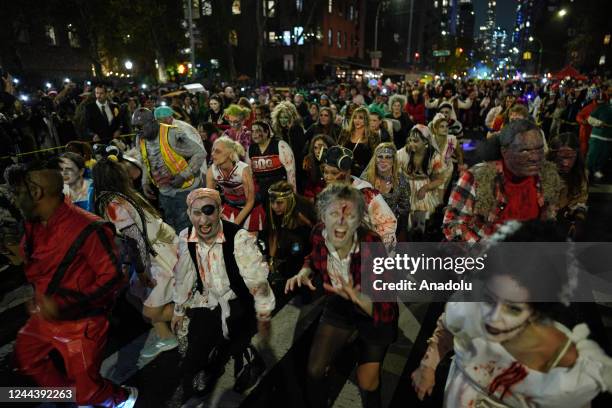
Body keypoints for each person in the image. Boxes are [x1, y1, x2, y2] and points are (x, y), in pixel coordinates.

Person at [411, 220, 612, 407]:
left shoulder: (563, 362)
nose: (492, 318)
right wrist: (428, 366)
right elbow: (448, 326)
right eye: (490, 299)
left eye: (513, 308)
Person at [5, 160, 137, 407]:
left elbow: (111, 279)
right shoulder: (33, 224)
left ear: (36, 192)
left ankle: (121, 398)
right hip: (46, 317)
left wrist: (62, 303)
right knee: (26, 359)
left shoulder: (87, 227)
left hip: (82, 323)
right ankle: (72, 395)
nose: (15, 199)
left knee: (87, 392)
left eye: (19, 192)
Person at [285, 184, 398, 408]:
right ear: (323, 215)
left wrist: (358, 297)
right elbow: (313, 255)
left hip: (373, 311)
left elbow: (386, 312)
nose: (341, 222)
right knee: (314, 370)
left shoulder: (371, 244)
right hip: (340, 304)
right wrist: (305, 270)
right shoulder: (318, 233)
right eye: (334, 214)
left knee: (367, 382)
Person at [172, 188, 274, 402]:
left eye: (209, 211)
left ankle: (251, 361)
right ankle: (205, 369)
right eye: (196, 213)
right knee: (197, 347)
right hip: (207, 300)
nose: (203, 220)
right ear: (189, 214)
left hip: (237, 300)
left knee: (237, 341)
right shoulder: (185, 237)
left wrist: (263, 312)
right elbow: (184, 275)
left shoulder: (238, 238)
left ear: (219, 211)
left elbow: (257, 280)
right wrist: (179, 309)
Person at [92, 157, 179, 359]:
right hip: (157, 247)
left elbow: (135, 239)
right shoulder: (123, 195)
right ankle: (167, 336)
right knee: (134, 295)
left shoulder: (112, 203)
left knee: (150, 311)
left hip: (155, 254)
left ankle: (196, 314)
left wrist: (140, 270)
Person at [443, 119, 562, 242]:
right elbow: (453, 224)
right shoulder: (477, 177)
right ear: (505, 152)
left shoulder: (547, 177)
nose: (535, 157)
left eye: (539, 149)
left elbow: (548, 221)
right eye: (525, 150)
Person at [133, 107, 206, 232]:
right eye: (134, 127)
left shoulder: (172, 134)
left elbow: (200, 153)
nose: (137, 131)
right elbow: (146, 161)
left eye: (140, 127)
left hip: (185, 190)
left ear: (152, 123)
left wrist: (183, 175)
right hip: (164, 192)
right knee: (171, 228)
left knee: (187, 230)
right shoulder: (140, 139)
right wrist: (144, 182)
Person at [320, 146, 397, 252]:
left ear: (347, 172)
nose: (327, 177)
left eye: (334, 173)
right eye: (325, 172)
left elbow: (388, 224)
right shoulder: (329, 194)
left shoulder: (366, 194)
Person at [206, 136, 265, 233]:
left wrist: (234, 225)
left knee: (248, 244)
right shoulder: (211, 171)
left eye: (218, 151)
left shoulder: (243, 170)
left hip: (251, 208)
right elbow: (211, 199)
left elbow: (250, 202)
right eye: (212, 150)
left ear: (229, 154)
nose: (212, 154)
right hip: (230, 206)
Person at [263, 181, 316, 284]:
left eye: (279, 203)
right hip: (287, 254)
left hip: (306, 252)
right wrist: (272, 260)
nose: (274, 206)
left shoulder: (303, 210)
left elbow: (317, 235)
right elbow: (273, 234)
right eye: (272, 202)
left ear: (289, 200)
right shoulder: (272, 212)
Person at [397, 125, 445, 235]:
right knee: (405, 223)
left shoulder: (434, 157)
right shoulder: (402, 153)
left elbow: (440, 179)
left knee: (419, 222)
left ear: (426, 142)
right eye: (410, 140)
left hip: (424, 190)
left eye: (416, 141)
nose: (411, 144)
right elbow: (393, 171)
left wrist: (425, 188)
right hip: (405, 188)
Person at [360, 142, 410, 241]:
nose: (383, 161)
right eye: (380, 157)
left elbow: (404, 209)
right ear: (375, 159)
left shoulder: (401, 180)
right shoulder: (366, 179)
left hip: (390, 230)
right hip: (368, 228)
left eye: (388, 157)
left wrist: (400, 232)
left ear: (393, 160)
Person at [548, 132, 588, 239]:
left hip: (560, 221)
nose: (566, 163)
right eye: (561, 157)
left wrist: (578, 221)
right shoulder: (541, 171)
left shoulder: (580, 173)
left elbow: (580, 199)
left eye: (571, 157)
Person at [246, 120, 296, 203]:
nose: (254, 134)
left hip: (279, 190)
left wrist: (292, 196)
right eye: (252, 131)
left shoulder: (281, 145)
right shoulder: (250, 149)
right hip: (260, 192)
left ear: (266, 132)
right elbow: (249, 175)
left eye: (258, 131)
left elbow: (291, 173)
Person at [154, 105, 208, 178]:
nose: (158, 123)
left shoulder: (182, 128)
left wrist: (186, 173)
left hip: (197, 168)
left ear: (169, 118)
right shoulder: (167, 129)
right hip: (185, 169)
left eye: (159, 120)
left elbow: (199, 151)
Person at [271, 101, 307, 189]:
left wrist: (290, 131)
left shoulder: (297, 129)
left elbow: (298, 150)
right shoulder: (276, 130)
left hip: (296, 166)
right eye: (281, 117)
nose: (283, 120)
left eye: (286, 117)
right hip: (280, 167)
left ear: (291, 118)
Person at [338, 107, 380, 176]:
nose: (357, 120)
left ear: (366, 120)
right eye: (355, 117)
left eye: (360, 118)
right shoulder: (345, 133)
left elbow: (376, 157)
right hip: (345, 172)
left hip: (364, 174)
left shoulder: (373, 136)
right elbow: (338, 151)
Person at [586, 95, 612, 181]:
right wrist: (599, 123)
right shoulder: (603, 107)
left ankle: (596, 170)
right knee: (592, 155)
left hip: (609, 139)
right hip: (597, 136)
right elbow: (590, 119)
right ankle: (587, 171)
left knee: (604, 156)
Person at [303, 134, 335, 202]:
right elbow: (308, 192)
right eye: (315, 148)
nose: (317, 151)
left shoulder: (338, 166)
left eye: (321, 147)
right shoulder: (310, 165)